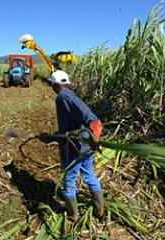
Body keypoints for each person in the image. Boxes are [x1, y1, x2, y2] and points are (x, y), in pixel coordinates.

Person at [46, 70, 104, 222]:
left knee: (67, 181)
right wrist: (54, 136)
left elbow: (92, 120)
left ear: (54, 84)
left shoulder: (63, 97)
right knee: (88, 174)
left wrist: (94, 131)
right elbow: (71, 123)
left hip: (74, 147)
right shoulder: (70, 94)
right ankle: (99, 210)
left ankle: (73, 215)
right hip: (85, 145)